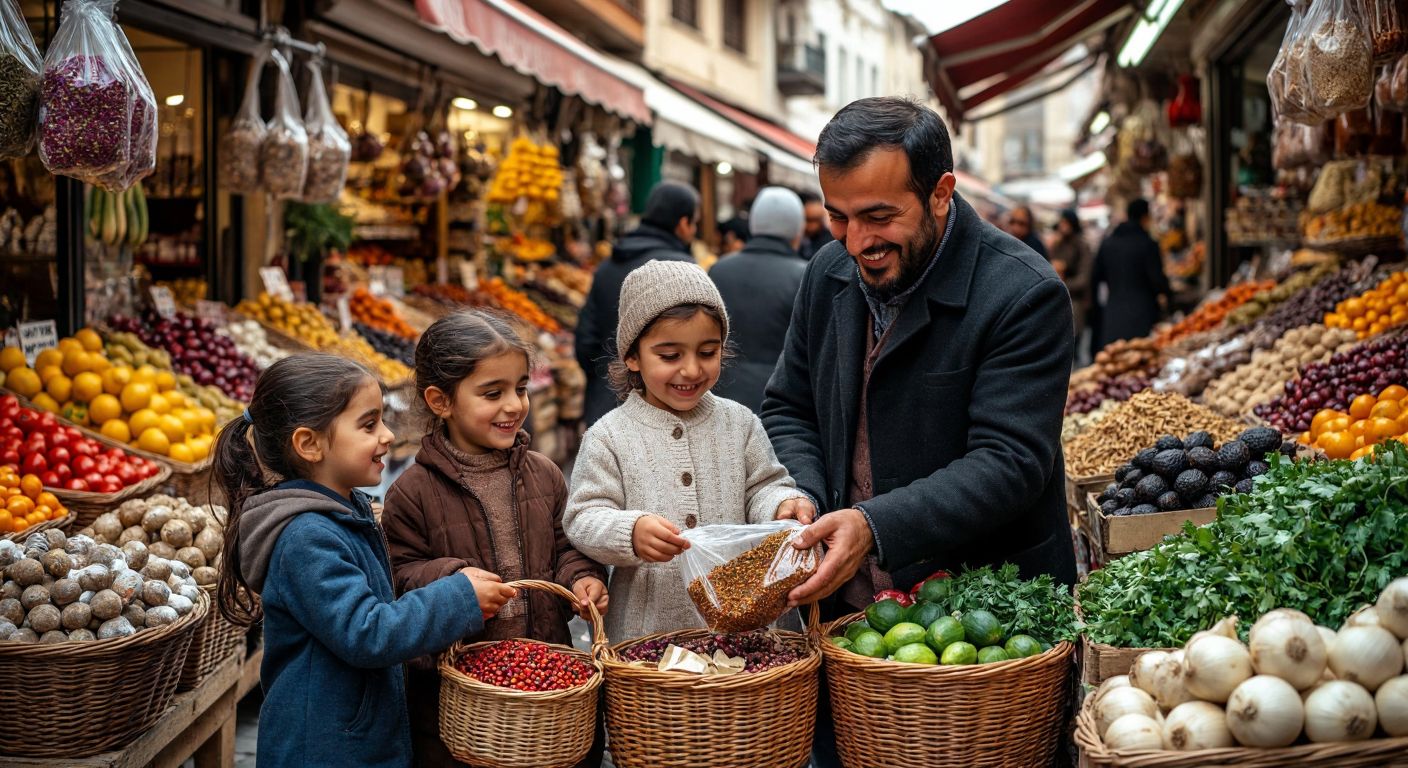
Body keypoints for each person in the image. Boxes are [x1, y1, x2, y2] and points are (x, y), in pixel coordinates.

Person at [758, 96, 1076, 766]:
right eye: (836, 216)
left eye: (879, 217)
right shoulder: (828, 272)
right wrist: (806, 497)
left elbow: (1012, 461)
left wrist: (873, 525)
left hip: (976, 632)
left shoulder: (1022, 292)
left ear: (941, 194)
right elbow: (789, 405)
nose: (856, 242)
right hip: (846, 622)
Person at [213, 354, 517, 768]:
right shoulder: (306, 538)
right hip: (323, 748)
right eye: (369, 424)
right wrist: (457, 599)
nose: (388, 436)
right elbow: (367, 631)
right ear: (309, 444)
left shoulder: (344, 509)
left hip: (355, 734)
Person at [381, 311, 609, 768]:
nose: (514, 405)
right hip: (459, 695)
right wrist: (453, 582)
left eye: (520, 388)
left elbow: (567, 546)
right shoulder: (412, 493)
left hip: (546, 682)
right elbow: (398, 577)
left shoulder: (544, 475)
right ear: (440, 401)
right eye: (493, 393)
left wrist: (582, 578)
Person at [563, 260, 816, 641]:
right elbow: (583, 517)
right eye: (670, 356)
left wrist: (782, 504)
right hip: (649, 635)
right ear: (632, 356)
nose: (692, 370)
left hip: (746, 626)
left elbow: (764, 485)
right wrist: (630, 532)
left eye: (707, 352)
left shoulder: (740, 422)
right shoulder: (608, 436)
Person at [576, 181, 699, 427]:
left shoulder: (608, 265)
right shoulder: (685, 272)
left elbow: (585, 341)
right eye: (695, 223)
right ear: (683, 224)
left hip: (606, 401)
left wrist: (605, 379)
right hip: (666, 407)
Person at [710, 186, 809, 413]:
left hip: (718, 392)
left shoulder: (719, 270)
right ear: (797, 230)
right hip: (779, 400)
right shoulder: (803, 276)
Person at [1091, 198, 1171, 350]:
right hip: (1143, 313)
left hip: (1113, 313)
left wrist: (1096, 311)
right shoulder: (1147, 243)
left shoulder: (1107, 243)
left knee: (1113, 361)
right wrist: (1169, 297)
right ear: (1145, 217)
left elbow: (1096, 277)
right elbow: (1157, 280)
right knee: (1141, 362)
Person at [1051, 208, 1094, 362]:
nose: (1063, 226)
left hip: (1076, 299)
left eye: (1065, 222)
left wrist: (1063, 283)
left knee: (1074, 339)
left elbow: (1084, 278)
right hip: (1060, 298)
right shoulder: (1058, 244)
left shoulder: (1081, 246)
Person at [799, 190, 835, 260]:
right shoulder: (788, 239)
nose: (813, 227)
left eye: (818, 220)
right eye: (808, 220)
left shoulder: (829, 241)